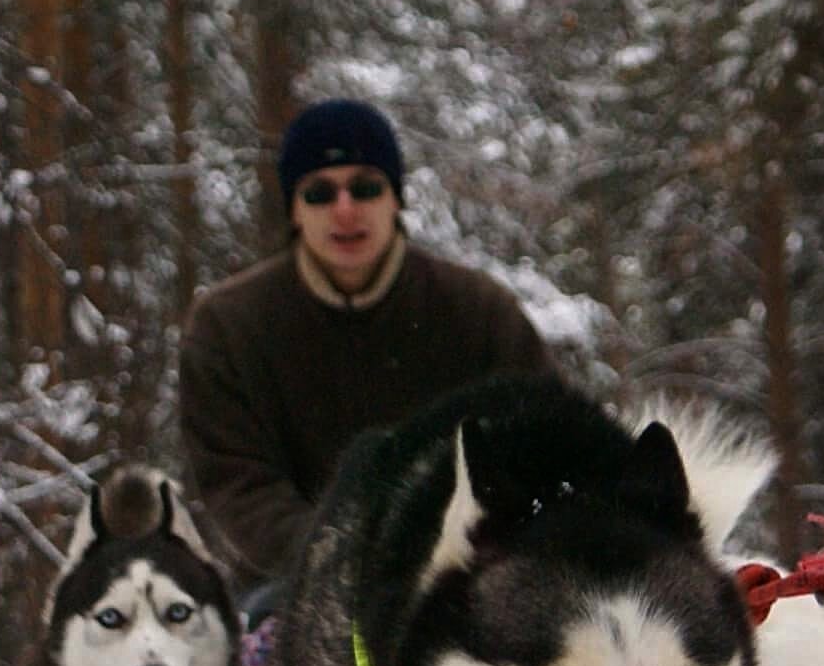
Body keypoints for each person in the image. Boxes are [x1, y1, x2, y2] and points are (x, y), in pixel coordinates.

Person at [180, 98, 553, 596]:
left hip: (465, 579)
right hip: (294, 589)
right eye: (319, 192)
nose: (345, 209)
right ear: (293, 207)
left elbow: (543, 440)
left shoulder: (478, 312)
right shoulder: (227, 327)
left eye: (366, 187)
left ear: (395, 197)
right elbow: (238, 484)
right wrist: (337, 555)